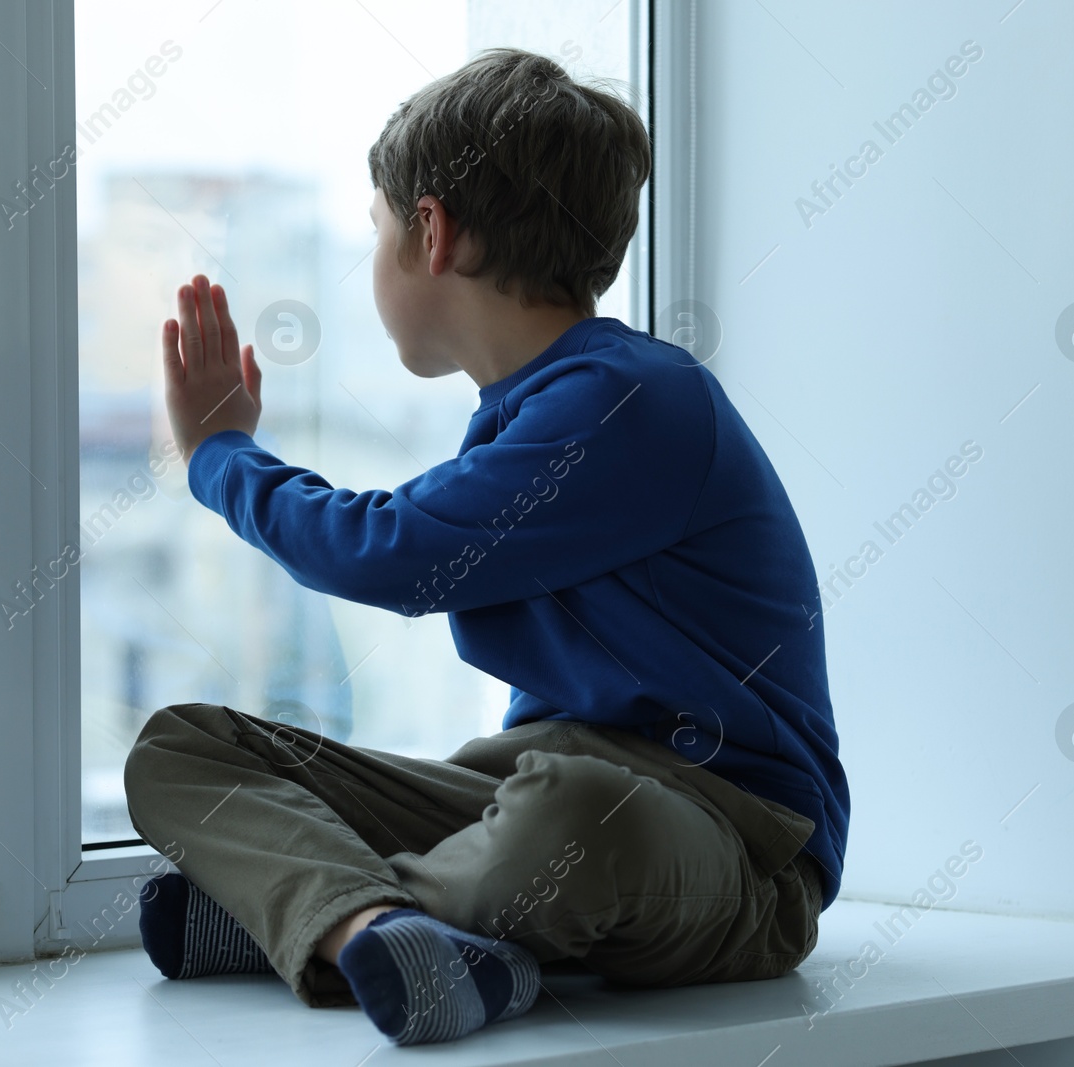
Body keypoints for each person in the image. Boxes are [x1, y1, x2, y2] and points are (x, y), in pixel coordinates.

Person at [123, 46, 848, 1047]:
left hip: (735, 843)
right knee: (182, 745)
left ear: (431, 231)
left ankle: (317, 913)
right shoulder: (528, 412)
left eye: (376, 229)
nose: (372, 257)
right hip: (533, 783)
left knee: (571, 809)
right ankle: (378, 929)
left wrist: (219, 456)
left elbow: (395, 552)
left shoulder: (632, 398)